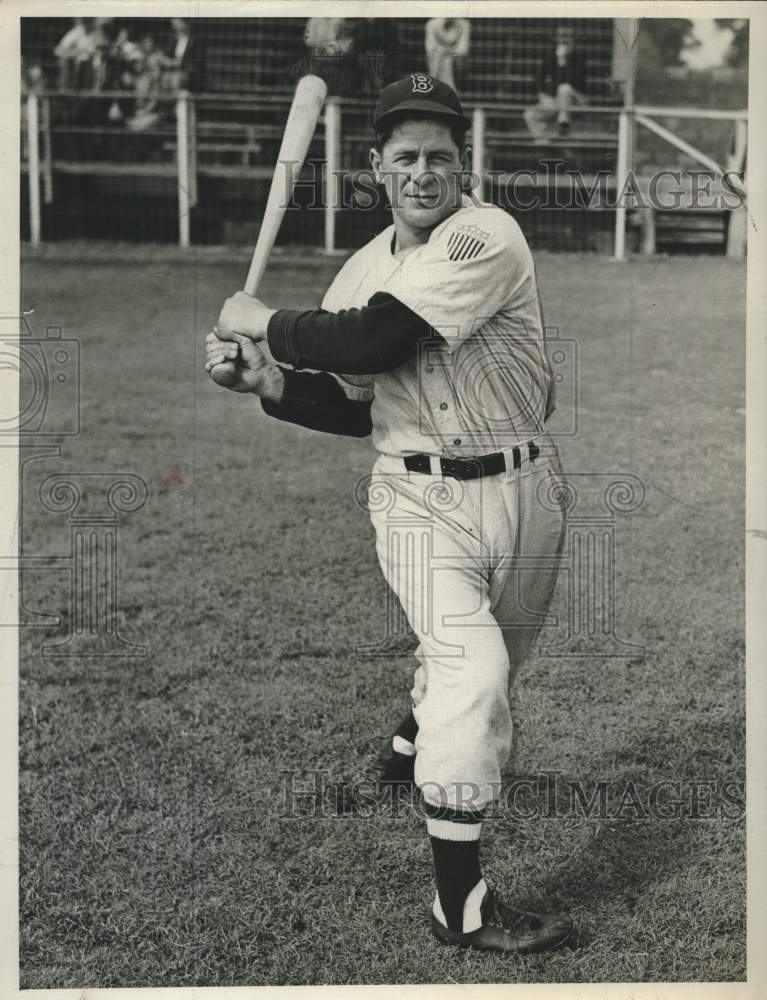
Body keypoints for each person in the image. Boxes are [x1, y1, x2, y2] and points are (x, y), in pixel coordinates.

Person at [204, 73, 572, 956]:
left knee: (491, 668)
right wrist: (270, 381)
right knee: (475, 671)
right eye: (403, 156)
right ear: (375, 166)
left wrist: (267, 321)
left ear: (463, 164)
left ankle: (414, 733)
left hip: (527, 490)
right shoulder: (361, 269)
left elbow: (374, 339)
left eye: (439, 156)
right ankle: (461, 904)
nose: (422, 171)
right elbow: (358, 402)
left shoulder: (487, 235)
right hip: (413, 498)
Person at [524, 25, 588, 139]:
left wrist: (563, 62)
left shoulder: (579, 58)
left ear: (573, 39)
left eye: (567, 37)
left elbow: (572, 82)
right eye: (561, 37)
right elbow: (539, 80)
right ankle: (547, 144)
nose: (564, 41)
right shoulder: (551, 58)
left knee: (564, 89)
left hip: (576, 102)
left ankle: (563, 124)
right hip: (555, 103)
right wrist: (543, 96)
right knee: (529, 114)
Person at [424, 18, 471, 92]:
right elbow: (430, 47)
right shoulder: (432, 24)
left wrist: (449, 52)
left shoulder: (464, 24)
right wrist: (442, 51)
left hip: (452, 57)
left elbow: (462, 49)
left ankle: (452, 89)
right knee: (437, 60)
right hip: (437, 57)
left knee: (451, 61)